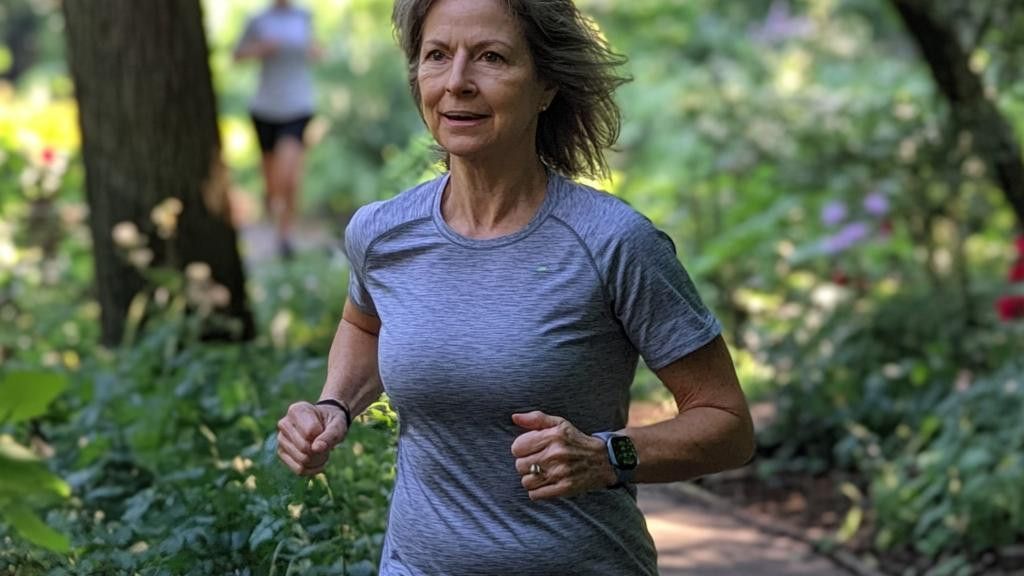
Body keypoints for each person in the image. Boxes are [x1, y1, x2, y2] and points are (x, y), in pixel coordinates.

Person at [275, 0, 756, 573]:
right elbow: (364, 322)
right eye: (437, 56)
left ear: (547, 83)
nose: (457, 83)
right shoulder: (382, 234)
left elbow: (728, 425)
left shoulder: (614, 242)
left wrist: (609, 455)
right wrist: (335, 404)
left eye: (491, 57)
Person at [234, 0, 320, 259]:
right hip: (265, 109)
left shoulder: (305, 16)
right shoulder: (257, 20)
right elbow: (237, 55)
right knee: (273, 184)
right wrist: (260, 49)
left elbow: (316, 49)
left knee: (289, 176)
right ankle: (275, 220)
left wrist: (314, 51)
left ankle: (285, 235)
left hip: (298, 106)